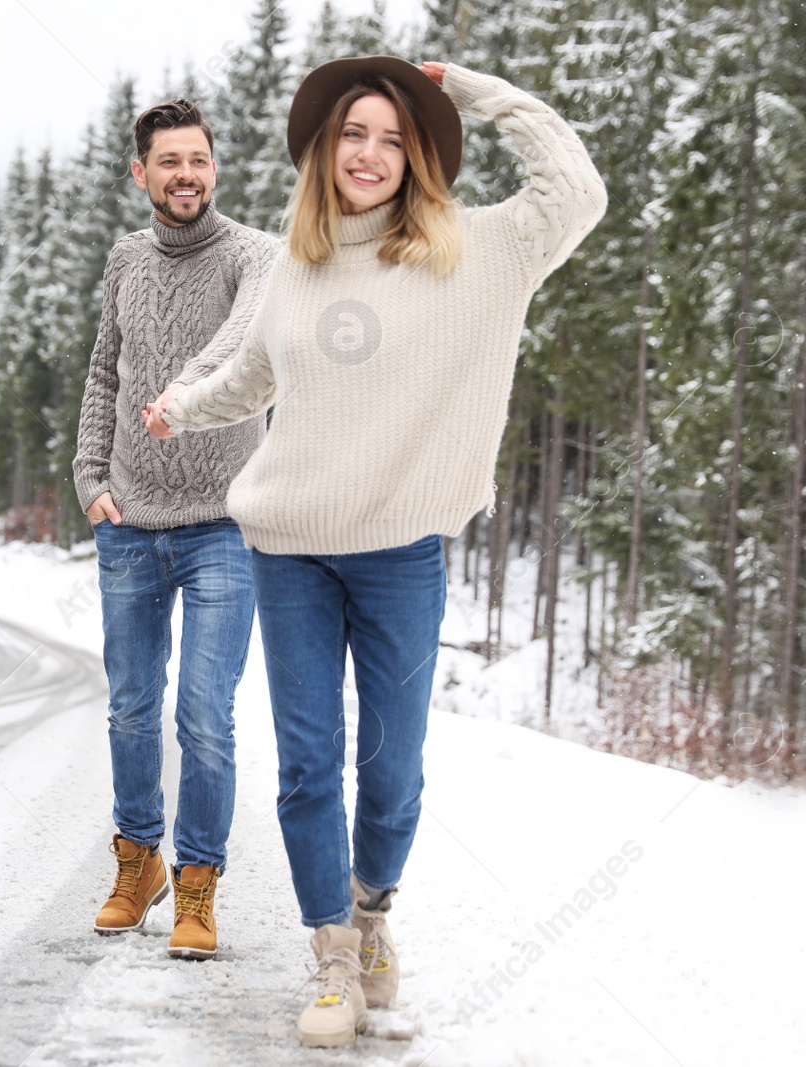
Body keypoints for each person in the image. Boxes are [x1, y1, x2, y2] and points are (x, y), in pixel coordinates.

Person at [144, 57, 606, 1044]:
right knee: (309, 768)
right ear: (322, 149)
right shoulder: (295, 268)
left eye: (394, 136)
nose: (370, 152)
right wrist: (180, 409)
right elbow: (248, 377)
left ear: (421, 154)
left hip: (400, 553)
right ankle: (331, 961)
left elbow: (577, 187)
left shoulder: (478, 250)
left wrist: (469, 87)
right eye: (354, 133)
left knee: (392, 769)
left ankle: (373, 910)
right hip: (290, 548)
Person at [73, 97, 279, 959]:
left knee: (204, 711)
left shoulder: (254, 254)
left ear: (214, 167)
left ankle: (198, 881)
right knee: (128, 706)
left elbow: (242, 342)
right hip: (128, 522)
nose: (185, 174)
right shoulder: (125, 259)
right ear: (141, 173)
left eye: (198, 159)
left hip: (224, 525)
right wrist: (89, 477)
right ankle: (136, 862)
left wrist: (181, 398)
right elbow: (105, 374)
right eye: (169, 161)